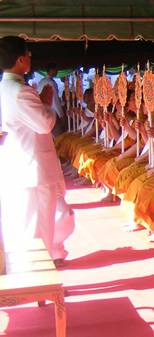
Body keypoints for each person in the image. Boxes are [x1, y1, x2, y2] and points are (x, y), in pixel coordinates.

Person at [0, 36, 74, 265]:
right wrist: (45, 104)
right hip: (33, 169)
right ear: (22, 59)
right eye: (28, 55)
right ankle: (40, 282)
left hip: (23, 163)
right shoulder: (20, 90)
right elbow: (44, 124)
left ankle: (36, 279)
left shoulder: (6, 86)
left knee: (29, 226)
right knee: (39, 229)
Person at [36, 62, 65, 135]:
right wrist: (61, 114)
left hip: (42, 111)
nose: (57, 72)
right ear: (51, 70)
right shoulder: (51, 82)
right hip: (52, 112)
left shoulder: (41, 82)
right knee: (57, 135)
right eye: (56, 70)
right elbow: (55, 100)